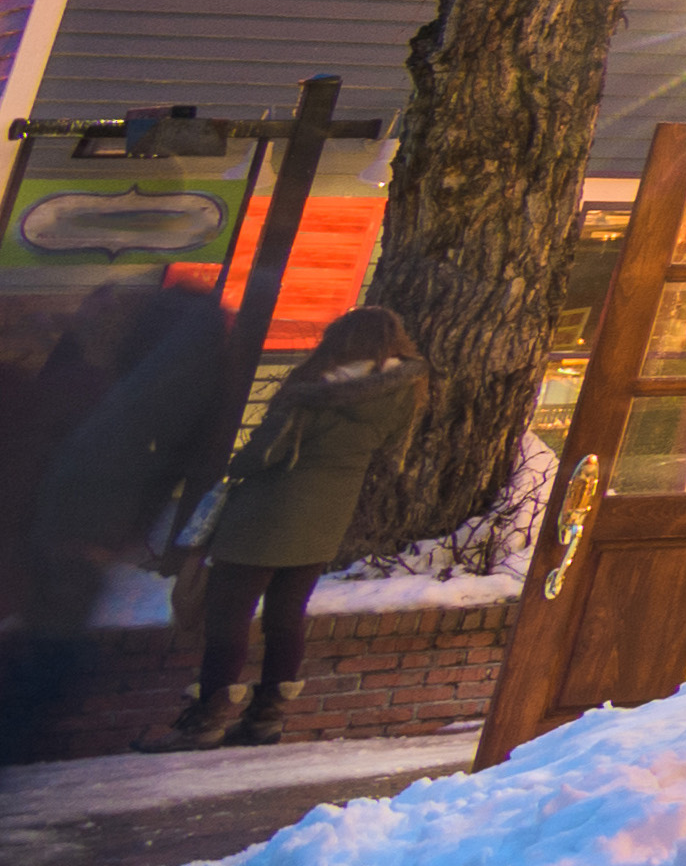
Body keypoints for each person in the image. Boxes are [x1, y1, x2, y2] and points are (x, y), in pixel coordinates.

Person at [169, 306, 427, 749]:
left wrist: (234, 467)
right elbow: (389, 452)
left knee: (228, 617)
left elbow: (264, 454)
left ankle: (205, 721)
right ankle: (265, 719)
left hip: (264, 515)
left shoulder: (313, 391)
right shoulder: (403, 390)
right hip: (327, 518)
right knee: (286, 618)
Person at [27, 273, 241, 643]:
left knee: (49, 601)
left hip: (63, 493)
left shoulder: (125, 359)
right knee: (61, 617)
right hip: (102, 509)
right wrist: (138, 522)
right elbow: (182, 457)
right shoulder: (199, 371)